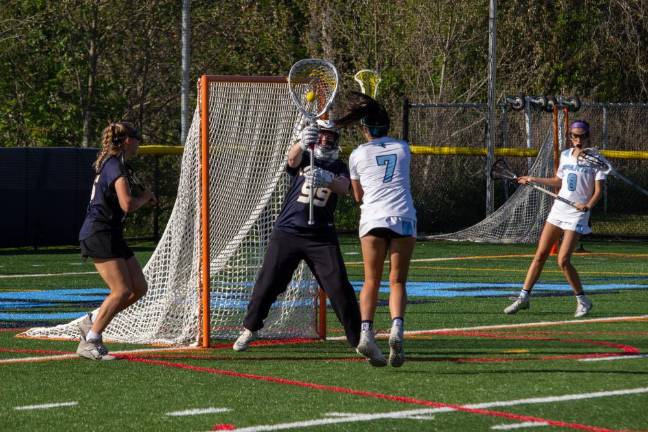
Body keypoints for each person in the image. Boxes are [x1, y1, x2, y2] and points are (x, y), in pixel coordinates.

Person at [233, 119, 361, 352]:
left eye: (330, 136)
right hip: (288, 231)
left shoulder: (339, 167)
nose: (325, 139)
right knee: (268, 282)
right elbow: (291, 160)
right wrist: (301, 143)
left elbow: (344, 188)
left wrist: (327, 179)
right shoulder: (305, 156)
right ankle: (250, 328)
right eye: (321, 134)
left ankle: (358, 339)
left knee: (339, 287)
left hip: (321, 236)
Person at [337, 92, 417, 367]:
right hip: (402, 216)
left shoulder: (358, 154)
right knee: (398, 281)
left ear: (365, 129)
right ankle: (396, 329)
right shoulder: (403, 148)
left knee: (372, 280)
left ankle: (366, 333)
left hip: (372, 218)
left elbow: (358, 195)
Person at [505, 120, 605, 318]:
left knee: (563, 260)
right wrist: (533, 179)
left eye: (582, 136)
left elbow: (598, 191)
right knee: (540, 254)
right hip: (559, 209)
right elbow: (558, 181)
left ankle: (583, 301)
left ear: (588, 136)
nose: (578, 140)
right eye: (575, 136)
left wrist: (588, 205)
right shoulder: (566, 155)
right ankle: (523, 298)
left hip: (577, 213)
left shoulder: (596, 160)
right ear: (570, 137)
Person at [76, 121, 157, 360]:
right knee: (121, 290)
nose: (140, 142)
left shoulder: (116, 164)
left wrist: (143, 197)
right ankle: (90, 340)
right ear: (127, 141)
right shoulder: (114, 165)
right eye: (138, 137)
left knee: (139, 287)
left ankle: (92, 320)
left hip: (111, 232)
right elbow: (127, 204)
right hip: (99, 232)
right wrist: (144, 197)